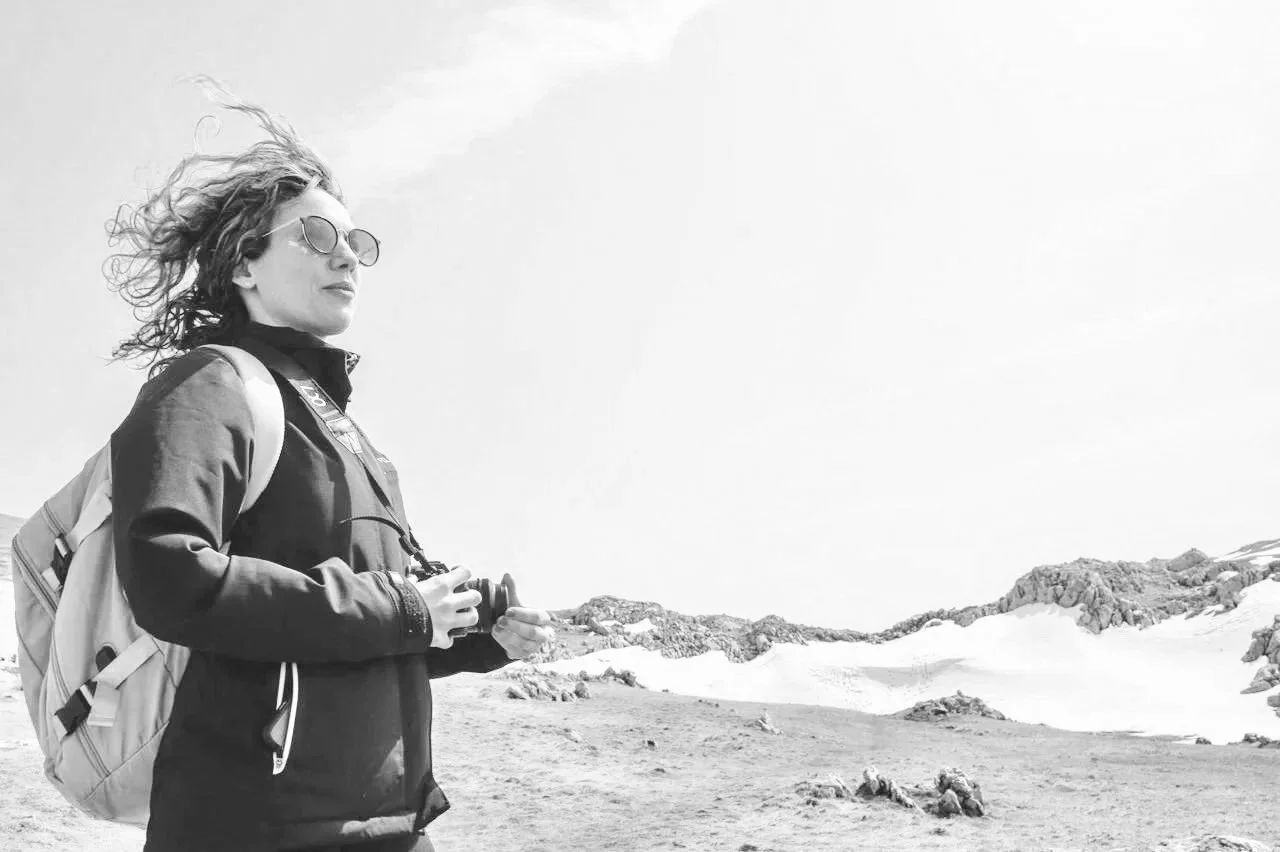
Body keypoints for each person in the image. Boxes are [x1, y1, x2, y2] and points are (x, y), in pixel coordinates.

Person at [104, 82, 554, 852]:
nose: (347, 256)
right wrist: (401, 609)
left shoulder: (338, 425)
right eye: (316, 236)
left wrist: (473, 632)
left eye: (356, 244)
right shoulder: (208, 387)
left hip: (387, 821)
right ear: (245, 264)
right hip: (258, 828)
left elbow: (355, 634)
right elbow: (167, 577)